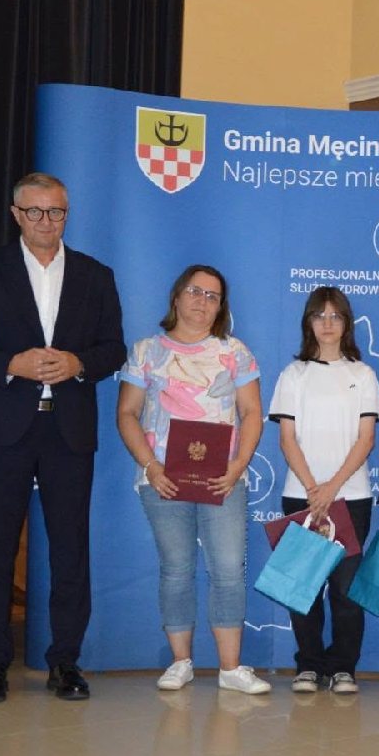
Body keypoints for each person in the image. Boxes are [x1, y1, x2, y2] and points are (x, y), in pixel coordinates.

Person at [0, 172, 125, 704]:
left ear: (67, 214)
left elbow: (113, 348)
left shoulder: (95, 275)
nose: (47, 221)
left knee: (70, 550)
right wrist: (11, 364)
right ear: (16, 215)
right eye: (36, 212)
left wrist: (78, 363)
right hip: (4, 431)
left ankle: (65, 662)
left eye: (57, 212)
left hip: (67, 431)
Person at [117, 264, 270, 695]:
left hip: (224, 480)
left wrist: (238, 466)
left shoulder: (235, 352)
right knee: (176, 569)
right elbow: (126, 413)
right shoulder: (146, 351)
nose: (202, 301)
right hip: (162, 479)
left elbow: (252, 413)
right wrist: (151, 466)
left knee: (228, 569)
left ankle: (230, 668)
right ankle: (180, 662)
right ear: (177, 296)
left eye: (212, 296)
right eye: (195, 291)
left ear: (221, 307)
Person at [268, 286, 379, 695]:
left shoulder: (363, 375)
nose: (328, 323)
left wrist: (332, 488)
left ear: (347, 323)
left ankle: (344, 667)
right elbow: (287, 439)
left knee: (346, 592)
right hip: (302, 494)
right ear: (309, 322)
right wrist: (314, 489)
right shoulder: (293, 374)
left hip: (351, 497)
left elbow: (366, 439)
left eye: (336, 316)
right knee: (304, 589)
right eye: (320, 315)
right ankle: (309, 666)